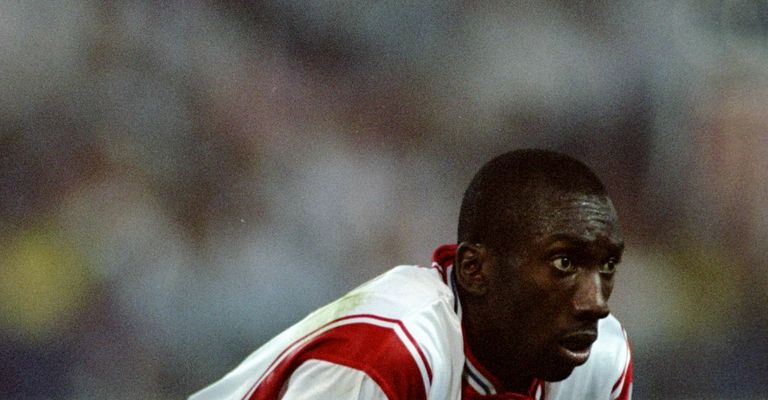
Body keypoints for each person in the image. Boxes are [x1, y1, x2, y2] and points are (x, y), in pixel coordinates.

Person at [190, 149, 633, 400]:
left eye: (608, 265)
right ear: (475, 271)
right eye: (565, 263)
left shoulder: (600, 362)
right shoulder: (386, 355)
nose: (596, 302)